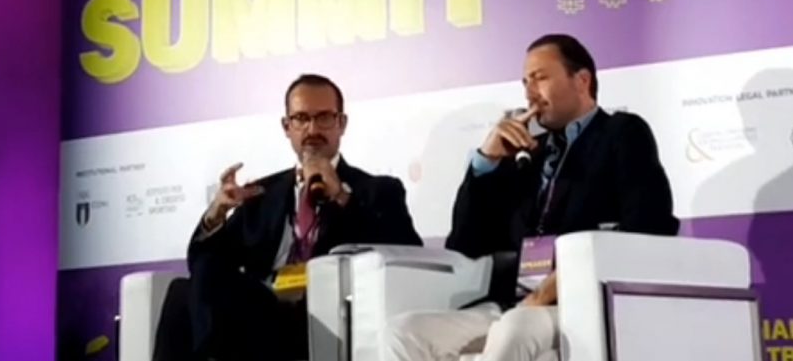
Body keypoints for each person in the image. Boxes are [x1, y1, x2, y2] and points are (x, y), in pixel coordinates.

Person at [384, 34, 679, 361]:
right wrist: (486, 162)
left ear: (582, 80)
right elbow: (466, 245)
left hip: (579, 304)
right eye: (525, 82)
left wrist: (545, 293)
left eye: (540, 78)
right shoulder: (526, 156)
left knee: (516, 327)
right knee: (404, 331)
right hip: (514, 303)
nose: (529, 93)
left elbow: (647, 226)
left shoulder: (621, 133)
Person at [153, 73, 422, 361]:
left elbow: (406, 255)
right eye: (301, 118)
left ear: (342, 123)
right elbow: (202, 266)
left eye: (324, 118)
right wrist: (215, 215)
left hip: (324, 319)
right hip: (261, 312)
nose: (312, 129)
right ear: (286, 126)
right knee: (187, 287)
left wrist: (341, 197)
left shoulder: (378, 191)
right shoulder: (260, 194)